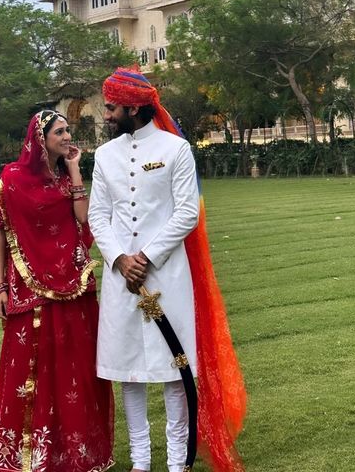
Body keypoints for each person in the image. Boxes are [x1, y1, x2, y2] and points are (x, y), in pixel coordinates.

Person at [89, 67, 247, 472]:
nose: (106, 115)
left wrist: (147, 256)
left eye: (111, 107)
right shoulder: (105, 156)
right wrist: (120, 258)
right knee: (128, 371)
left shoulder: (176, 150)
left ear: (133, 106)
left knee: (175, 370)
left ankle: (178, 461)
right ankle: (140, 461)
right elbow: (97, 215)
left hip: (166, 275)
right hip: (120, 277)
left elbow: (186, 213)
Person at [0, 110, 114, 472]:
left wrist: (74, 171)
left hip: (74, 286)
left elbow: (84, 219)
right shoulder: (10, 179)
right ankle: (30, 457)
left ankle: (75, 455)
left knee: (76, 372)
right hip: (29, 292)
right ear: (39, 138)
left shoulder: (65, 178)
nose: (67, 136)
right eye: (60, 131)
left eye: (68, 130)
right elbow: (0, 231)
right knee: (31, 374)